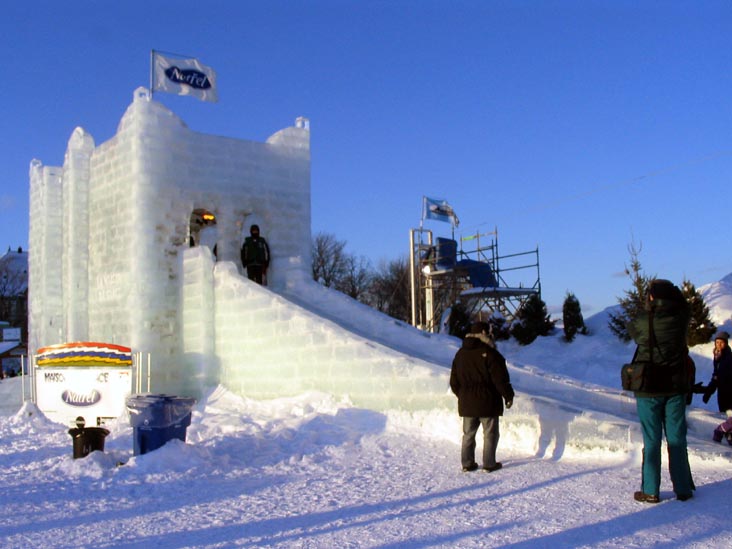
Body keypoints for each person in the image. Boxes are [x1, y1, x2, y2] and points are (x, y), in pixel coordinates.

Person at [627, 279, 695, 503]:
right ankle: (683, 488)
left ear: (652, 297)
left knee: (652, 439)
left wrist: (649, 307)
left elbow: (633, 331)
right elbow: (685, 305)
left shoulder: (643, 320)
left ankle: (651, 490)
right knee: (677, 438)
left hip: (648, 387)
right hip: (675, 386)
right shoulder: (680, 317)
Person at [450, 321, 515, 473]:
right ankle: (489, 464)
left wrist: (464, 395)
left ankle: (467, 463)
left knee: (468, 434)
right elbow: (500, 379)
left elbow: (454, 382)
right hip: (488, 401)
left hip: (467, 402)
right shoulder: (491, 353)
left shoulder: (460, 354)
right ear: (484, 334)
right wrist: (508, 396)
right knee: (490, 434)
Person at [703, 331, 732, 413]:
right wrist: (709, 391)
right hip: (722, 392)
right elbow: (716, 375)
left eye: (721, 342)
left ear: (726, 344)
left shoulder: (729, 358)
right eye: (717, 342)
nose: (719, 344)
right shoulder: (717, 357)